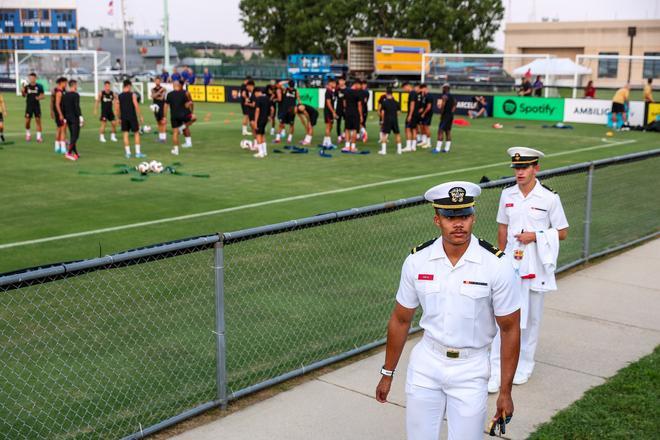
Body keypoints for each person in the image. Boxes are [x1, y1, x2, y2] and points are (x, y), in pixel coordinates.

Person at [375, 180, 521, 440]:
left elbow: (509, 329)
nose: (459, 224)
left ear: (473, 217)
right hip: (426, 363)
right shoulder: (417, 261)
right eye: (450, 216)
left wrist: (505, 391)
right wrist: (388, 373)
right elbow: (400, 319)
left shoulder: (496, 265)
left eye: (464, 215)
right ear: (437, 220)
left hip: (471, 368)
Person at [488, 147, 569, 394]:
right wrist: (499, 259)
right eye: (516, 168)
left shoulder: (549, 198)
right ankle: (495, 370)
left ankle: (524, 366)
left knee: (531, 319)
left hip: (535, 266)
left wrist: (536, 236)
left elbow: (562, 232)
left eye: (524, 167)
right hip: (510, 264)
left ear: (536, 168)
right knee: (501, 316)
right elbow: (502, 228)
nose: (519, 172)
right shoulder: (507, 194)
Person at [165, 79, 197, 156]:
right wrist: (191, 110)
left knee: (175, 133)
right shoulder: (185, 93)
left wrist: (164, 116)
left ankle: (176, 150)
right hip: (184, 114)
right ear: (180, 85)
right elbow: (189, 103)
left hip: (174, 116)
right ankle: (183, 129)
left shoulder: (169, 94)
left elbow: (166, 106)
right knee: (193, 118)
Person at [116, 79, 146, 159]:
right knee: (136, 133)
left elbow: (117, 108)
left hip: (124, 117)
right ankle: (138, 153)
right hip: (132, 117)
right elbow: (136, 106)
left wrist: (119, 117)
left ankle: (128, 153)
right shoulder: (132, 95)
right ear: (129, 86)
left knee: (125, 134)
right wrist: (140, 116)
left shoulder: (119, 96)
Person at [62, 79, 82, 161]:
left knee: (72, 135)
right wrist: (80, 116)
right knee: (75, 136)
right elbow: (77, 106)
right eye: (76, 85)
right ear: (73, 85)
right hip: (74, 118)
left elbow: (63, 106)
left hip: (67, 117)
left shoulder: (65, 95)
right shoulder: (76, 95)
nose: (77, 86)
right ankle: (69, 153)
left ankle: (76, 153)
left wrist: (64, 117)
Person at [22, 72, 45, 143]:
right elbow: (24, 95)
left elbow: (43, 96)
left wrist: (39, 97)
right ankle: (28, 134)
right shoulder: (27, 86)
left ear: (35, 78)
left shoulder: (39, 86)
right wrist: (22, 90)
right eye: (30, 78)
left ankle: (38, 137)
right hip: (29, 106)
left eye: (32, 78)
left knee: (38, 121)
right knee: (27, 122)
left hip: (36, 106)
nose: (31, 79)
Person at [378, 87, 402, 155]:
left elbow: (382, 113)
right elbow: (399, 113)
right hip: (394, 120)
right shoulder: (397, 102)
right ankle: (399, 150)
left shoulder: (384, 102)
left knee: (384, 134)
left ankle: (384, 151)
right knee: (397, 134)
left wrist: (382, 121)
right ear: (392, 93)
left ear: (386, 93)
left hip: (387, 120)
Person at [275, 80, 299, 144]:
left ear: (288, 84)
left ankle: (278, 139)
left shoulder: (285, 89)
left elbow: (278, 85)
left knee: (281, 124)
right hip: (292, 110)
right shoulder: (296, 91)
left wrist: (285, 81)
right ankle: (289, 139)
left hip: (285, 110)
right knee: (291, 125)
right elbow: (299, 100)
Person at [435, 83, 457, 153]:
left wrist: (441, 113)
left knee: (440, 131)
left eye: (443, 88)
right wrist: (452, 112)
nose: (442, 89)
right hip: (450, 116)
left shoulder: (444, 96)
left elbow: (443, 106)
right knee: (448, 131)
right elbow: (455, 103)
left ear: (445, 88)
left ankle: (437, 149)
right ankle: (447, 149)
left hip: (445, 116)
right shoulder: (452, 96)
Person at [342, 81, 363, 153]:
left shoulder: (346, 92)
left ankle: (347, 146)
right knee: (354, 130)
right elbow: (359, 105)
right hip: (355, 113)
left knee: (347, 129)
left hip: (347, 112)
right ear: (356, 84)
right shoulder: (358, 93)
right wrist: (361, 115)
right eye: (359, 85)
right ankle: (353, 147)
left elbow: (344, 103)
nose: (360, 87)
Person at [252, 87, 270, 158]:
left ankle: (260, 153)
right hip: (265, 118)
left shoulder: (259, 99)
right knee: (262, 134)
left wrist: (256, 121)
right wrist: (269, 117)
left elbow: (257, 110)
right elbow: (271, 109)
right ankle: (264, 152)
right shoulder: (267, 98)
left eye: (255, 94)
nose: (255, 95)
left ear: (257, 92)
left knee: (258, 135)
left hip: (260, 119)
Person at [51, 77, 68, 154]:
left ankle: (57, 147)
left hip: (60, 112)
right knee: (63, 129)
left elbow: (52, 102)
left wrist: (52, 111)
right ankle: (63, 148)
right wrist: (61, 114)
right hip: (60, 113)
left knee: (59, 129)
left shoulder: (58, 91)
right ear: (61, 83)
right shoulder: (59, 92)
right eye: (65, 83)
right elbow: (57, 104)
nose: (66, 84)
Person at [402, 82, 418, 152]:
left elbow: (412, 104)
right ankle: (413, 147)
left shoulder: (412, 93)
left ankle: (408, 147)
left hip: (412, 114)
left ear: (407, 86)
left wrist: (410, 115)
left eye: (404, 88)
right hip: (415, 114)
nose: (404, 90)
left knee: (407, 129)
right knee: (414, 129)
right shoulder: (414, 93)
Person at [150, 76, 168, 143]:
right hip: (155, 107)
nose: (157, 82)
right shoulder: (153, 89)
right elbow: (152, 96)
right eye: (156, 81)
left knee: (163, 122)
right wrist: (159, 92)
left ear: (160, 81)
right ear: (155, 81)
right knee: (158, 122)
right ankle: (161, 138)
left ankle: (164, 138)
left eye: (158, 81)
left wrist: (156, 95)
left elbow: (161, 98)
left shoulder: (164, 89)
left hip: (162, 106)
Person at [322, 78, 337, 147]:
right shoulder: (328, 92)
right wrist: (333, 112)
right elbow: (328, 103)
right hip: (328, 111)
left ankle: (325, 141)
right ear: (330, 83)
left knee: (331, 126)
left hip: (330, 111)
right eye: (333, 83)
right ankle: (328, 143)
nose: (335, 84)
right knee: (328, 126)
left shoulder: (332, 92)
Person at [418, 84, 433, 149]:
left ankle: (429, 143)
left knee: (426, 127)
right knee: (423, 127)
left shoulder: (429, 96)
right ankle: (424, 141)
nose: (420, 90)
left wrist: (424, 113)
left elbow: (429, 107)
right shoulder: (424, 96)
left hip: (428, 114)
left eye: (421, 89)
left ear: (424, 88)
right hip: (424, 113)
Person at [334, 77, 347, 144]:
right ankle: (339, 137)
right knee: (338, 123)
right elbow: (334, 99)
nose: (341, 82)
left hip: (346, 109)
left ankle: (344, 135)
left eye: (342, 80)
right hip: (338, 109)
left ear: (344, 81)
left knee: (346, 122)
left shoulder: (348, 90)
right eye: (340, 81)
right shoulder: (337, 90)